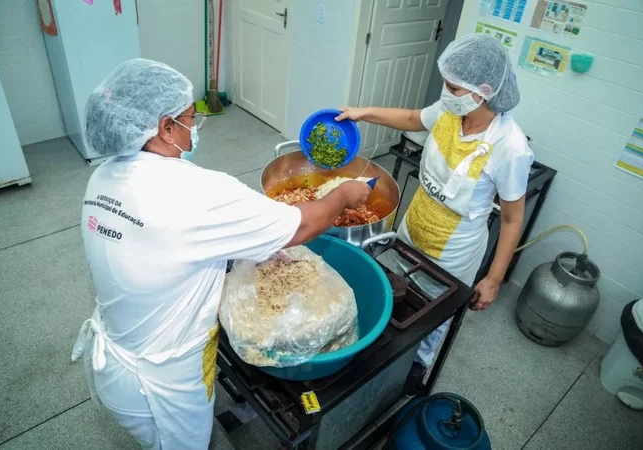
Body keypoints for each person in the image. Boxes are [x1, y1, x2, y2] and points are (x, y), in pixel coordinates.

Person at [71, 58, 370, 450]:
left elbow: (164, 247)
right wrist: (344, 194)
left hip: (120, 351)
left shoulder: (103, 175)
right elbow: (301, 226)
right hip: (161, 387)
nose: (194, 128)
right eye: (190, 118)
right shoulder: (198, 192)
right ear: (165, 127)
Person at [336, 34, 533, 387]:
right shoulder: (452, 109)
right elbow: (413, 118)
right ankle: (383, 345)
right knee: (395, 288)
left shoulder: (510, 148)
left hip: (453, 252)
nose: (445, 93)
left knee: (433, 314)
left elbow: (512, 218)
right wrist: (362, 113)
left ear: (482, 91)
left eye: (453, 88)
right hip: (414, 225)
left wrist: (493, 280)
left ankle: (417, 368)